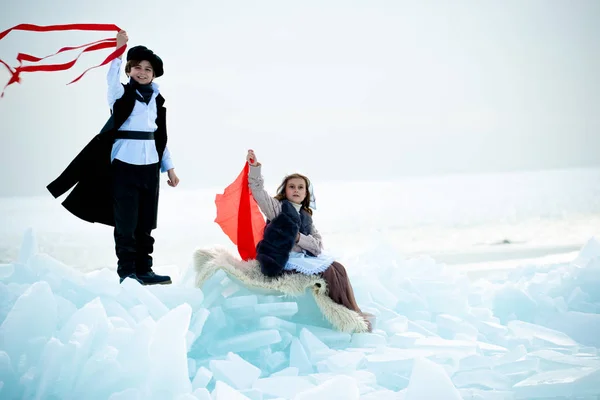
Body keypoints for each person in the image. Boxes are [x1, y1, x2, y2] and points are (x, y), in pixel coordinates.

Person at [47, 30, 179, 285]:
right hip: (123, 168)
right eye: (137, 67)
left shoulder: (157, 102)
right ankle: (127, 272)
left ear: (154, 74)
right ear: (129, 70)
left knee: (145, 223)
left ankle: (145, 269)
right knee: (126, 223)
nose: (143, 72)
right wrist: (119, 51)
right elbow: (110, 78)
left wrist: (170, 168)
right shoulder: (119, 94)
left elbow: (159, 139)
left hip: (150, 167)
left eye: (148, 69)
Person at [246, 149, 373, 330]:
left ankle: (354, 310)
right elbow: (258, 191)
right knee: (328, 271)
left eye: (300, 187)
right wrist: (254, 168)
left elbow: (317, 246)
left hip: (303, 258)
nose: (296, 190)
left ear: (306, 193)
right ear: (285, 190)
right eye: (292, 186)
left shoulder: (306, 216)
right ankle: (346, 313)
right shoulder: (277, 208)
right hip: (283, 259)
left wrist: (298, 238)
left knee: (339, 268)